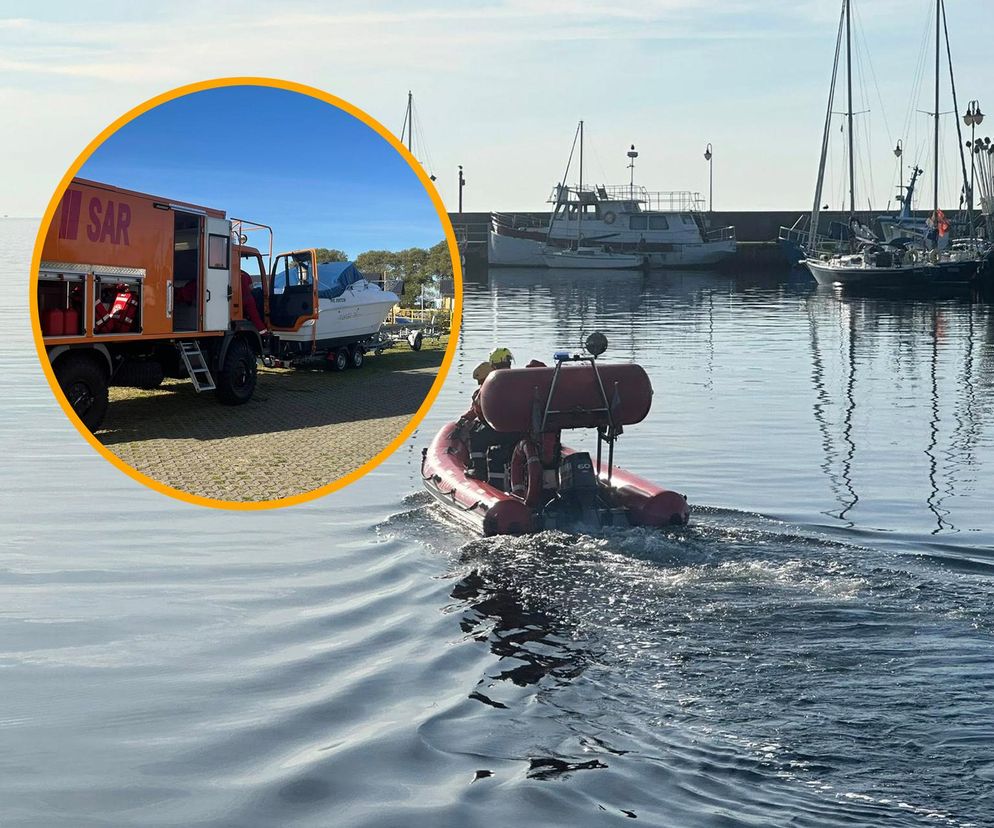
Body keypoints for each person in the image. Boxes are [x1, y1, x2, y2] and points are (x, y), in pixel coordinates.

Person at [240, 270, 267, 335]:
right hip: (247, 298)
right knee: (255, 316)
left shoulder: (231, 273)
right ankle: (264, 333)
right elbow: (251, 287)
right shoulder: (245, 274)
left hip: (235, 298)